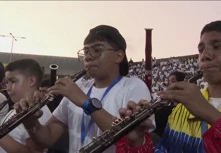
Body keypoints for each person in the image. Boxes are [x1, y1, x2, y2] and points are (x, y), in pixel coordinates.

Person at [116, 20, 221, 153]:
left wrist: (208, 112)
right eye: (201, 50)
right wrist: (138, 142)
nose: (205, 55)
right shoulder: (180, 111)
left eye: (217, 47)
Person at [14, 25, 154, 153]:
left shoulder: (134, 86)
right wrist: (31, 124)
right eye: (85, 51)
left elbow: (131, 138)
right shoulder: (79, 87)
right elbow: (48, 138)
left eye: (97, 50)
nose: (88, 57)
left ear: (118, 56)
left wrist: (85, 102)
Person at [0, 59, 52, 153]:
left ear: (31, 81)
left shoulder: (38, 111)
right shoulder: (18, 107)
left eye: (13, 81)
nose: (8, 88)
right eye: (7, 82)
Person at [152, 71, 187, 138]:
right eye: (169, 82)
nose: (170, 85)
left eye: (173, 81)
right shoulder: (165, 106)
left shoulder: (189, 109)